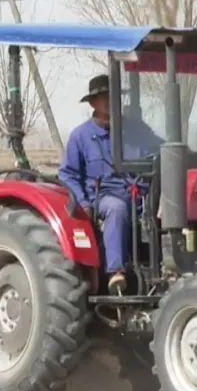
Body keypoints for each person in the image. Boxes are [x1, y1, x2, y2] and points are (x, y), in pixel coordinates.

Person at [58, 74, 135, 294]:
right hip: (100, 196)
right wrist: (83, 202)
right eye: (103, 97)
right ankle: (116, 272)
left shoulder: (131, 131)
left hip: (133, 191)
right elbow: (68, 174)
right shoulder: (80, 136)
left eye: (112, 96)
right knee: (117, 208)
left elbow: (153, 152)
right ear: (92, 103)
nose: (109, 101)